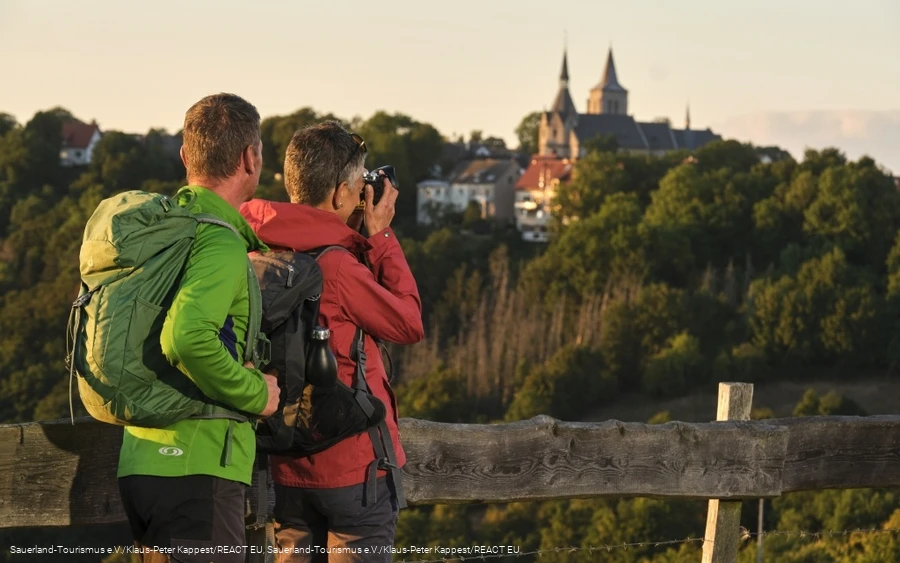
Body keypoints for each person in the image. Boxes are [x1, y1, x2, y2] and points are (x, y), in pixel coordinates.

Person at [240, 120, 425, 562]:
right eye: (358, 186)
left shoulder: (254, 250)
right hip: (353, 468)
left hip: (284, 464)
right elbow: (408, 324)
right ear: (341, 194)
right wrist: (380, 237)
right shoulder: (339, 267)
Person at [116, 93, 281, 563]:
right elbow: (186, 337)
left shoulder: (163, 231)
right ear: (250, 159)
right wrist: (257, 393)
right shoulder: (218, 242)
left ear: (186, 157)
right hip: (196, 469)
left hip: (140, 462)